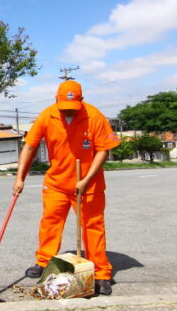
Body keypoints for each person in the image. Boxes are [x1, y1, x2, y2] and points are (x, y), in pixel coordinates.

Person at [13, 80, 120, 295]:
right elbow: (30, 146)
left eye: (72, 107)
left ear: (81, 100)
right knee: (50, 222)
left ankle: (100, 273)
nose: (68, 112)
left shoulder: (94, 116)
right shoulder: (47, 115)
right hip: (56, 183)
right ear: (56, 100)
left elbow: (103, 151)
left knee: (92, 227)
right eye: (64, 107)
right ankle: (43, 262)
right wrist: (19, 177)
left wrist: (86, 180)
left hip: (89, 184)